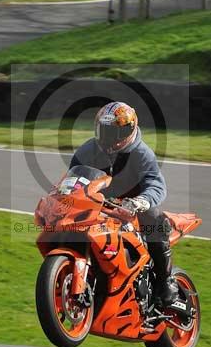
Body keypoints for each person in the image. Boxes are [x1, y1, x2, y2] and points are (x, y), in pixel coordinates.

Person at [69, 101, 179, 308]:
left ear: (128, 130)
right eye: (104, 131)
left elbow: (156, 184)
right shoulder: (89, 150)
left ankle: (166, 281)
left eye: (114, 132)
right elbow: (72, 179)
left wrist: (140, 202)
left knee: (154, 218)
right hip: (102, 203)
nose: (108, 138)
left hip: (133, 208)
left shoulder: (141, 153)